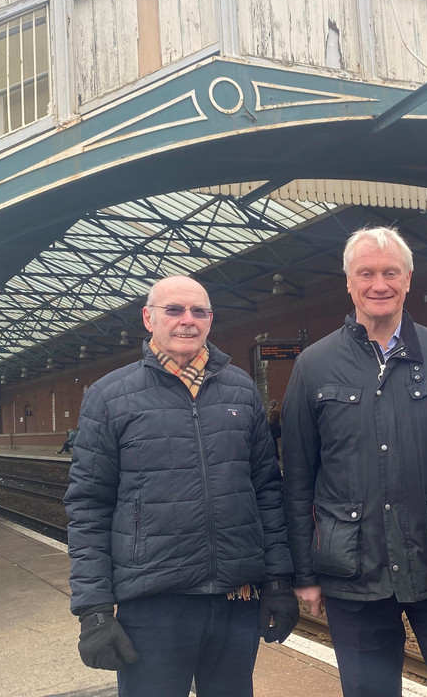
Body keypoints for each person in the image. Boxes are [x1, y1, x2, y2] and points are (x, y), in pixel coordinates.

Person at [282, 226, 427, 697]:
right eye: (366, 273)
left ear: (408, 279)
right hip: (354, 575)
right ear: (348, 283)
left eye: (390, 272)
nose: (379, 284)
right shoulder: (313, 364)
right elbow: (299, 479)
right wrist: (303, 573)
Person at [63, 275, 299, 697]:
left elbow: (266, 490)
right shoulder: (110, 396)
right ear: (148, 318)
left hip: (235, 601)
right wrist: (94, 610)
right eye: (174, 310)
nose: (187, 321)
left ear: (210, 320)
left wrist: (279, 581)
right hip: (153, 606)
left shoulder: (241, 390)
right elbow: (88, 506)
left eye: (199, 311)